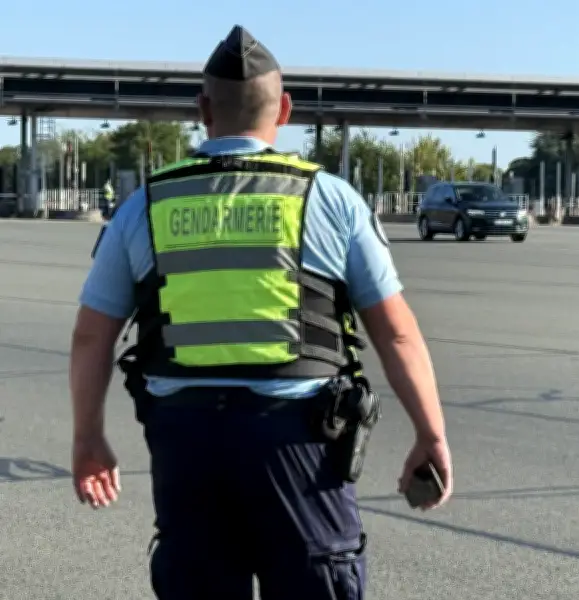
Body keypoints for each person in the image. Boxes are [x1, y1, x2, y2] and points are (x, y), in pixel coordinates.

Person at [69, 24, 453, 600]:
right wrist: (432, 434)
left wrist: (88, 439)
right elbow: (396, 334)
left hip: (187, 446)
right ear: (286, 111)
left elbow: (90, 339)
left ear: (203, 109)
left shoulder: (143, 204)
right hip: (300, 445)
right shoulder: (330, 199)